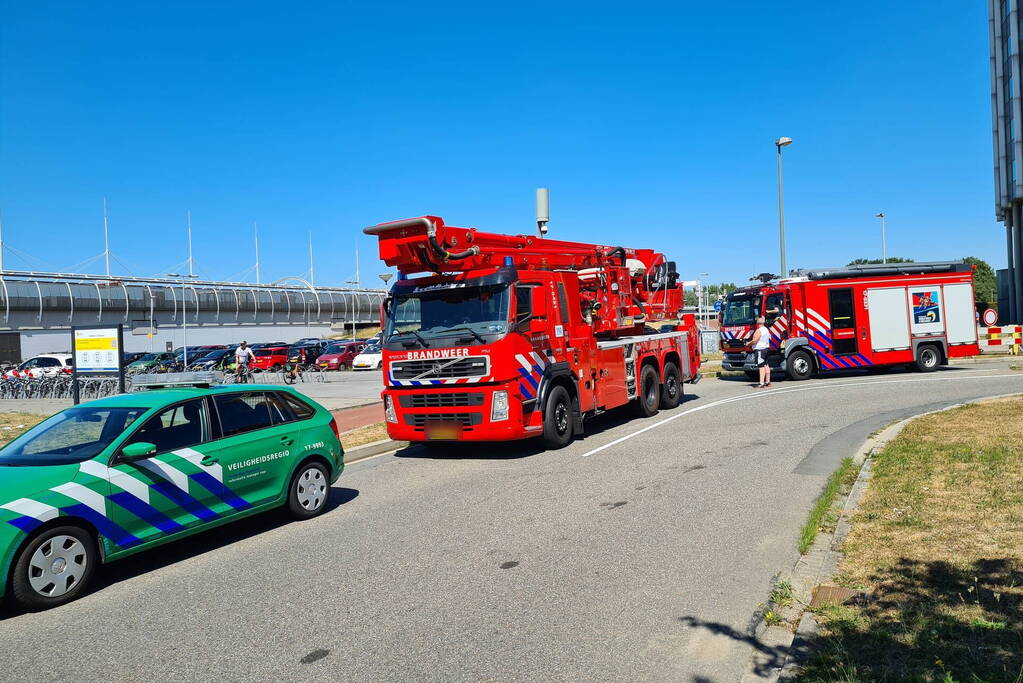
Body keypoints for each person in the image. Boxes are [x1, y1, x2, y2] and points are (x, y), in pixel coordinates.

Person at [750, 315, 771, 388]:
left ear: (757, 324)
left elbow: (755, 340)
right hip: (766, 349)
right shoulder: (766, 329)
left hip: (760, 350)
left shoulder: (759, 330)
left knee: (761, 366)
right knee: (766, 365)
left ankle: (761, 383)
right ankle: (768, 382)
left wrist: (748, 344)